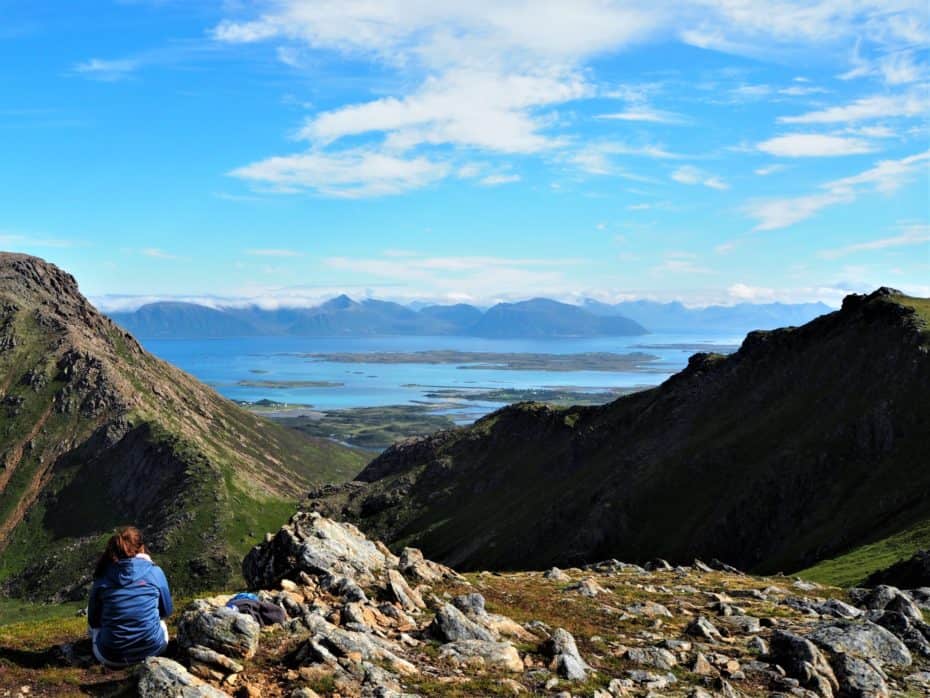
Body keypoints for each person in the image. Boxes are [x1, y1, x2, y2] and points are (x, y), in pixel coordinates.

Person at [87, 526, 173, 667]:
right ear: (141, 548)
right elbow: (166, 611)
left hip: (110, 657)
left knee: (94, 628)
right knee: (160, 619)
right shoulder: (155, 571)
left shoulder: (102, 577)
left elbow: (94, 621)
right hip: (153, 650)